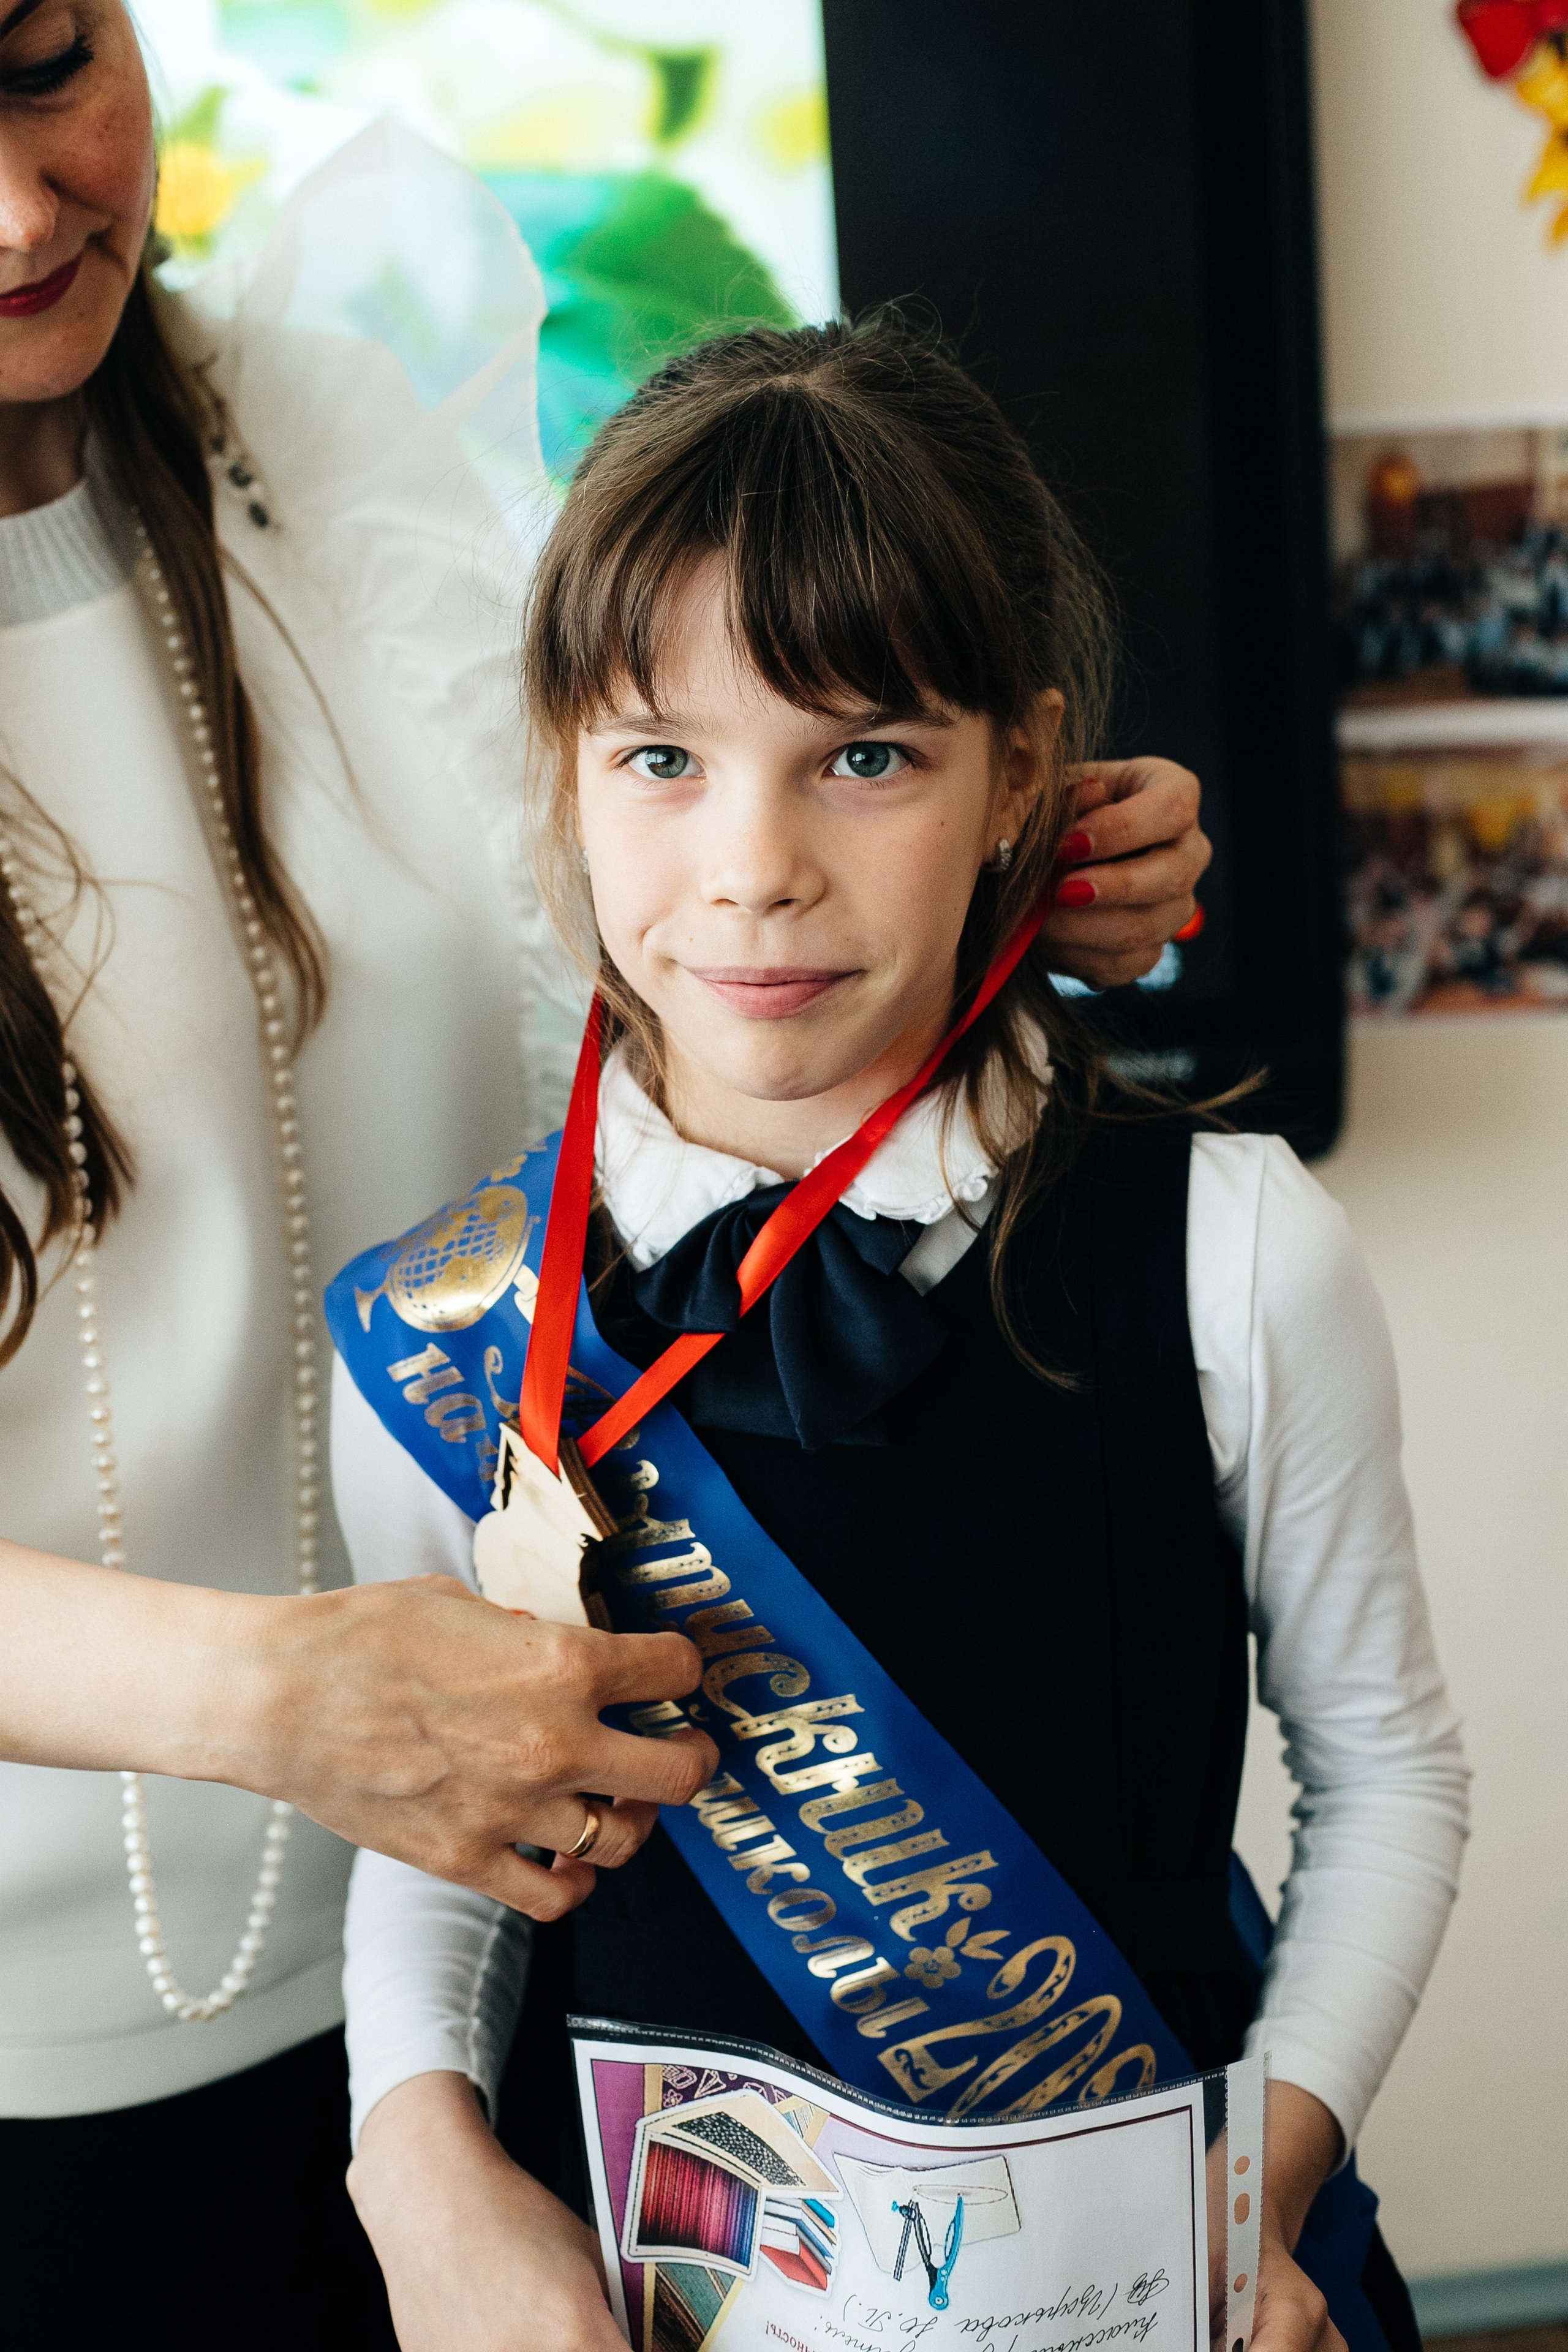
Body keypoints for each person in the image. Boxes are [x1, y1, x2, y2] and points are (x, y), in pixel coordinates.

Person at [0, 7, 1208, 2344]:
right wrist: (274, 1701)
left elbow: (658, 876)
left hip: (562, 1934)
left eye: (47, 63)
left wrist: (954, 861)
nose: (25, 210)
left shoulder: (322, 418)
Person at [330, 317, 1469, 2352]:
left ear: (1023, 768)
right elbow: (436, 1849)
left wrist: (1258, 2195)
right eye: (662, 761)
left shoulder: (1231, 1248)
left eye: (866, 756)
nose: (754, 869)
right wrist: (418, 2172)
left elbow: (1388, 1777)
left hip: (1171, 2282)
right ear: (564, 778)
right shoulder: (451, 1326)